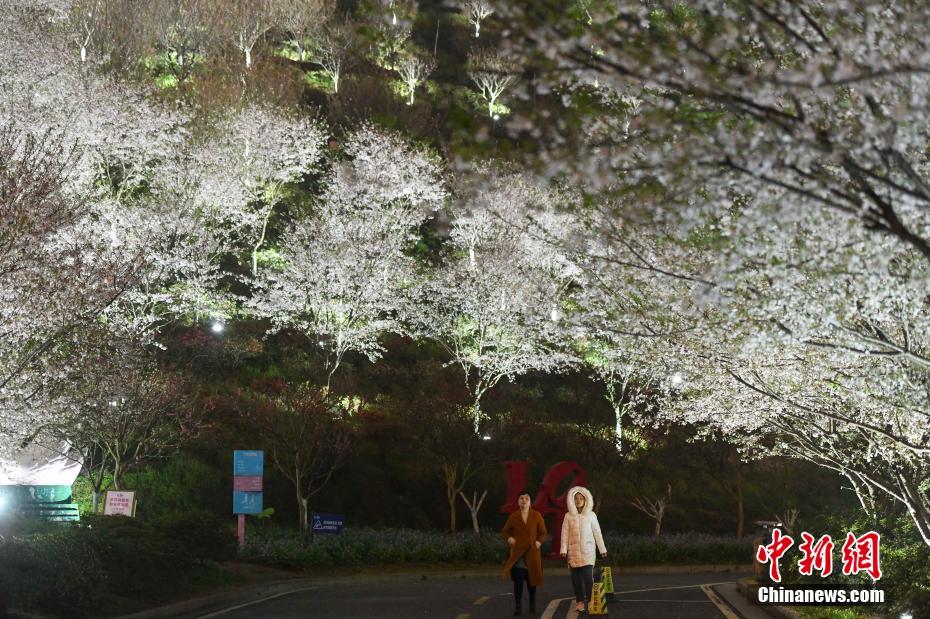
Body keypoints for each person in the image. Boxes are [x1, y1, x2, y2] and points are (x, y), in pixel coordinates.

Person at [560, 486, 607, 614]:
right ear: (572, 500)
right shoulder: (568, 516)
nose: (578, 500)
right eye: (576, 498)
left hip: (588, 552)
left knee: (588, 578)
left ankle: (591, 601)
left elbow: (597, 533)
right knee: (576, 580)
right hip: (573, 553)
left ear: (586, 500)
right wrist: (563, 549)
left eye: (581, 498)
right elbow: (564, 534)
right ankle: (580, 601)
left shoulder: (591, 515)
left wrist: (602, 549)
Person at [501, 490, 547, 615]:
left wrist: (539, 542)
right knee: (518, 581)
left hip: (532, 552)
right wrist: (510, 539)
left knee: (532, 581)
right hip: (518, 554)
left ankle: (532, 602)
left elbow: (543, 532)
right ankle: (518, 605)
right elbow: (505, 531)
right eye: (521, 498)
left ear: (530, 502)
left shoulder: (536, 515)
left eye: (527, 498)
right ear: (518, 502)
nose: (524, 500)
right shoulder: (514, 516)